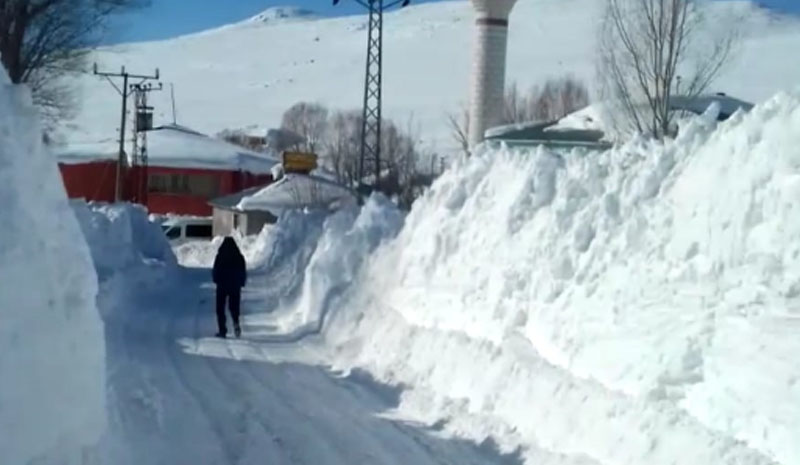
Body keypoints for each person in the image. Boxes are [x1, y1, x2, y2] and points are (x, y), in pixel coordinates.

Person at [212, 237, 247, 338]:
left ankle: (222, 330)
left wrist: (216, 280)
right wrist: (241, 282)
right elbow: (242, 271)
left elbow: (216, 269)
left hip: (222, 285)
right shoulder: (239, 257)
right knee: (234, 307)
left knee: (220, 308)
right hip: (235, 286)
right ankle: (236, 323)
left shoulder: (220, 256)